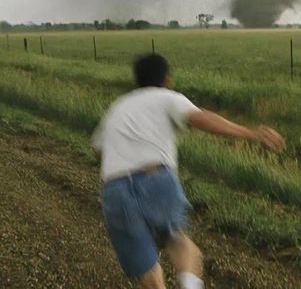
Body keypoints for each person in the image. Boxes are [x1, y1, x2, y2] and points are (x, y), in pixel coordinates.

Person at [92, 53, 284, 289]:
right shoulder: (167, 97)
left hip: (114, 190)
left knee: (146, 267)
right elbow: (199, 118)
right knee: (177, 240)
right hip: (154, 177)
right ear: (167, 79)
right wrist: (249, 133)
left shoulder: (117, 106)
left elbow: (98, 150)